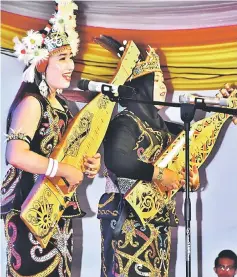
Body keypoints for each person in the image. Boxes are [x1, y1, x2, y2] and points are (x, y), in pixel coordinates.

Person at [1, 1, 101, 276]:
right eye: (62, 58)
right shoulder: (32, 103)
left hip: (58, 206)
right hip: (28, 206)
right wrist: (62, 169)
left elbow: (66, 155)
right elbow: (16, 155)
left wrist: (87, 163)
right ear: (42, 64)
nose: (71, 66)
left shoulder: (63, 107)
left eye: (71, 57)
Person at [97, 43, 200, 277]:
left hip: (157, 217)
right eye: (158, 81)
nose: (164, 87)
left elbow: (183, 162)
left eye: (164, 82)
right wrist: (161, 174)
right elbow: (117, 161)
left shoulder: (165, 130)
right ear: (141, 87)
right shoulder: (126, 122)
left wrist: (190, 181)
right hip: (127, 217)